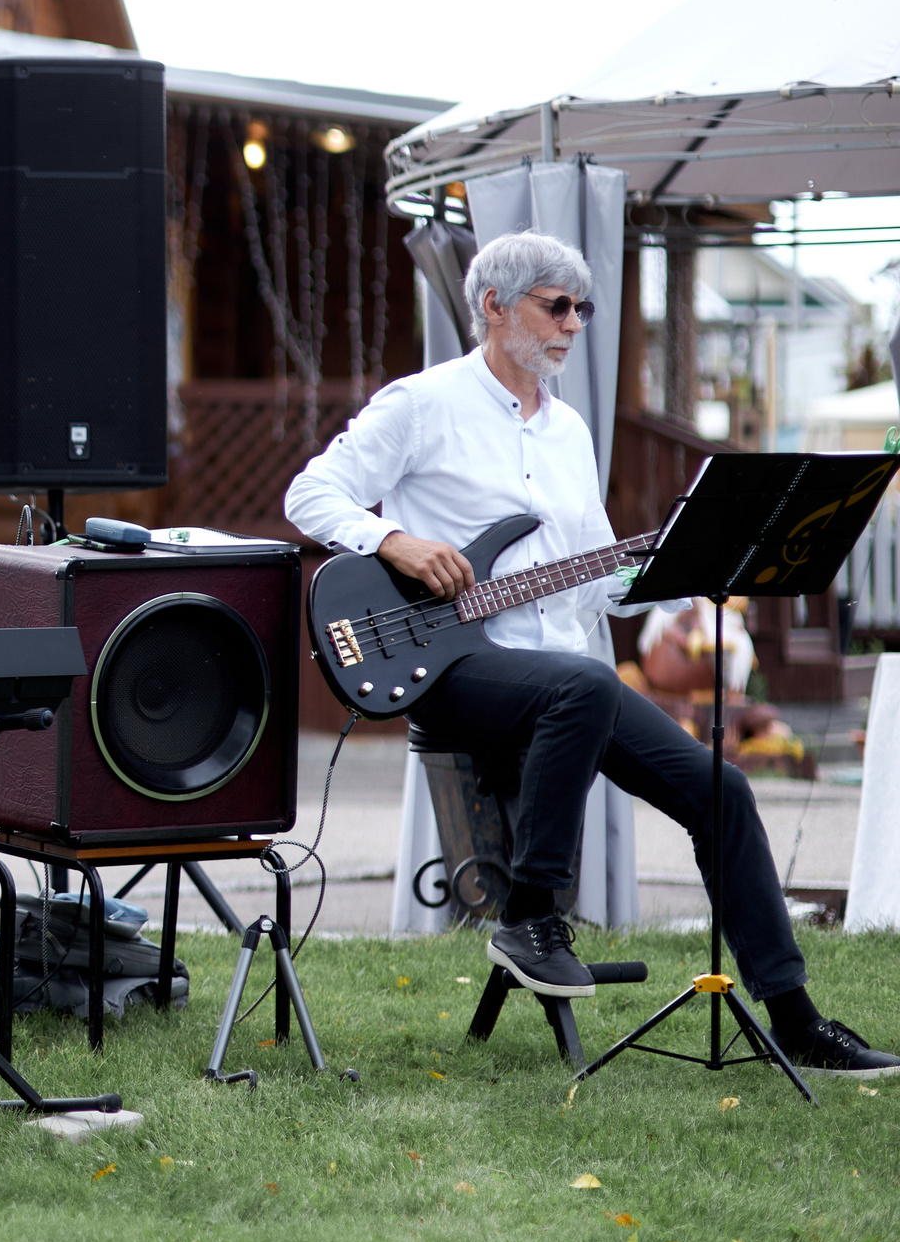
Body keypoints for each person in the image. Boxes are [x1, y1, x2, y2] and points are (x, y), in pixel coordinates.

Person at [285, 230, 894, 1075]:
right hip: (449, 667)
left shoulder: (568, 430)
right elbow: (310, 491)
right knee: (581, 683)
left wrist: (689, 568)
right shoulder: (422, 404)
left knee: (721, 790)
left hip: (570, 680)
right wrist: (395, 540)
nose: (574, 324)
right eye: (557, 306)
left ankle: (796, 1020)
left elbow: (598, 575)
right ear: (495, 307)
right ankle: (529, 915)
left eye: (584, 307)